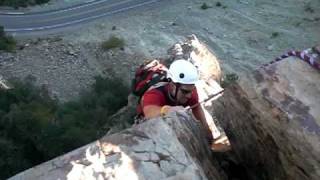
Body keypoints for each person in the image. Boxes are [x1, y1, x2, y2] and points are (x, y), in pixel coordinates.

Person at [139, 59, 229, 150]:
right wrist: (168, 110)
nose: (189, 96)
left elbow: (201, 117)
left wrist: (211, 139)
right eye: (185, 92)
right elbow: (149, 113)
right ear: (172, 85)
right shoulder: (154, 94)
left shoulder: (190, 91)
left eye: (192, 90)